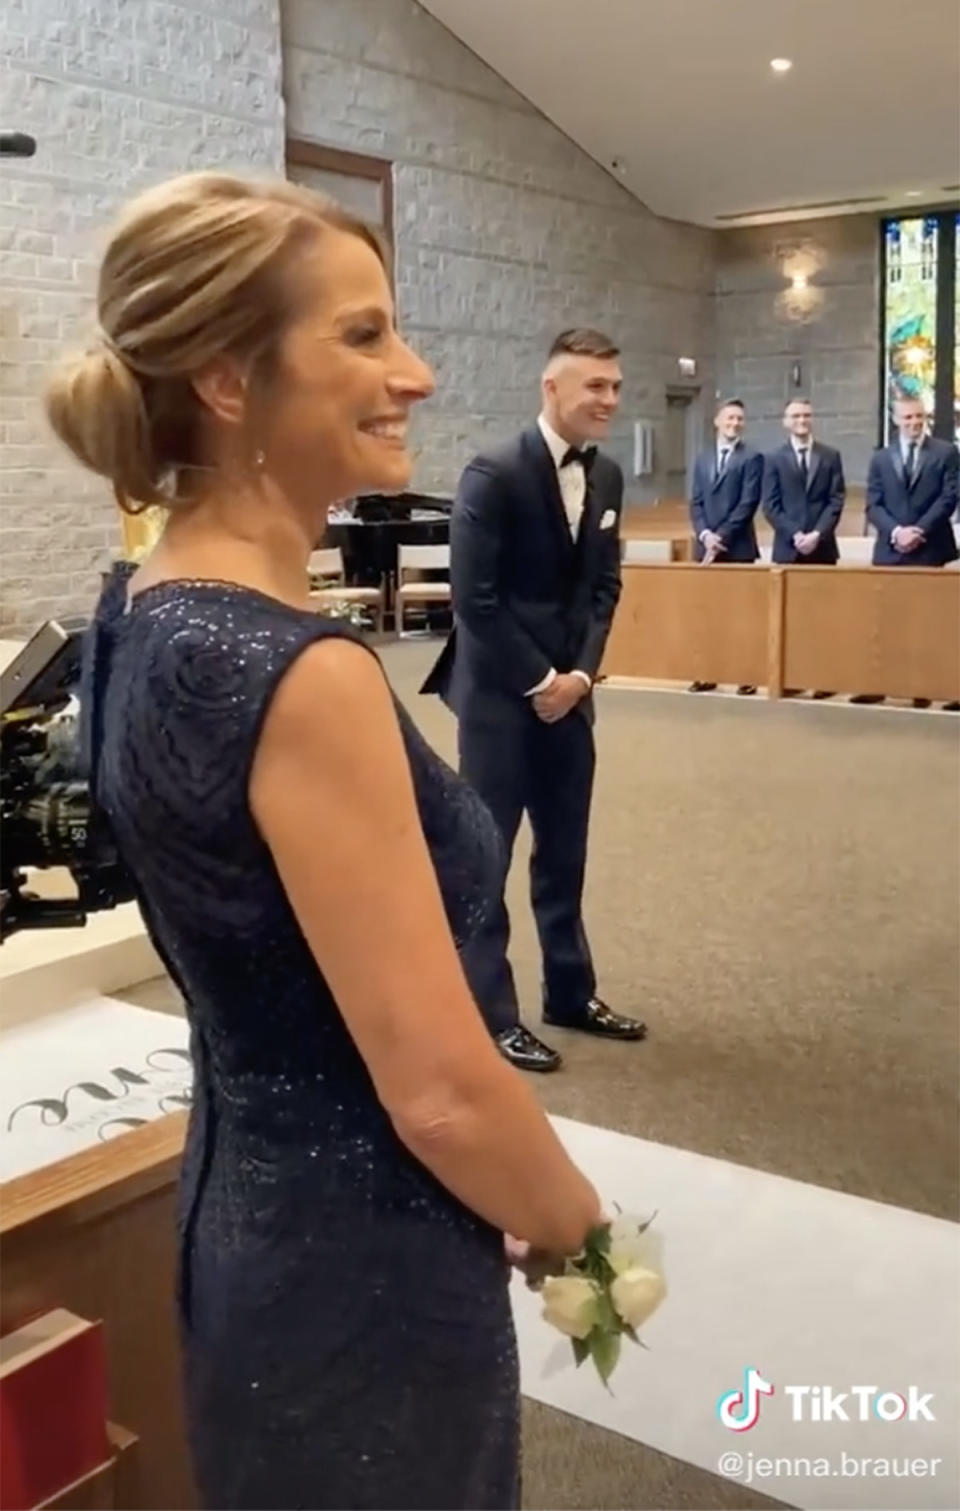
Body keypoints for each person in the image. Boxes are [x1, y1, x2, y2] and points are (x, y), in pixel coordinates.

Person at [45, 173, 602, 1511]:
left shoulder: (139, 607)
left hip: (245, 1217)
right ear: (229, 380)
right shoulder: (306, 675)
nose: (412, 372)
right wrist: (583, 1230)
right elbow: (441, 1089)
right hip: (368, 1251)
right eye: (360, 337)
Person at [422, 329, 646, 1075]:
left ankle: (571, 993)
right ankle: (490, 1015)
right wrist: (539, 680)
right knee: (488, 853)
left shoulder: (607, 476)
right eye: (596, 387)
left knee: (565, 851)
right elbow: (474, 603)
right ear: (552, 388)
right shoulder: (494, 471)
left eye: (616, 386)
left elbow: (604, 589)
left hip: (571, 698)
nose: (610, 400)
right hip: (498, 696)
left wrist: (580, 677)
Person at [761, 397, 846, 697]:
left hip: (822, 549)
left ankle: (823, 679)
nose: (802, 420)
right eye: (796, 415)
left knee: (822, 617)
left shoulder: (830, 455)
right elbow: (770, 505)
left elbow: (836, 500)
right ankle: (792, 678)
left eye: (807, 415)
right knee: (790, 619)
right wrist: (796, 534)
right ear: (785, 421)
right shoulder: (773, 458)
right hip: (788, 549)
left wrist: (817, 535)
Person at [688, 397, 763, 695]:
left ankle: (745, 674)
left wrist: (721, 538)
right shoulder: (703, 457)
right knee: (708, 614)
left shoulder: (752, 458)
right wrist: (705, 534)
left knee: (740, 615)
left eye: (739, 419)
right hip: (705, 547)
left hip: (738, 547)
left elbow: (748, 503)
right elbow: (696, 502)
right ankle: (707, 672)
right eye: (729, 418)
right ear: (717, 421)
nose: (734, 424)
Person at [866, 397, 958, 569]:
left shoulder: (946, 453)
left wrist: (919, 531)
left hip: (932, 548)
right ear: (896, 420)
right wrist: (898, 533)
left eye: (919, 416)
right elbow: (873, 505)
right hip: (890, 550)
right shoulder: (881, 458)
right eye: (908, 417)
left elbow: (948, 498)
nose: (914, 422)